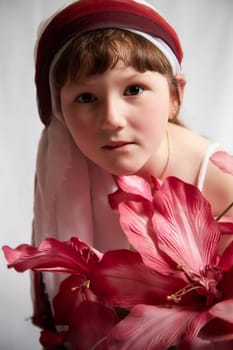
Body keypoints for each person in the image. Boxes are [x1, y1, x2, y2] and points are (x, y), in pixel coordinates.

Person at [32, 0, 233, 345]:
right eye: (85, 97)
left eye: (133, 89)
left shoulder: (219, 182)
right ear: (60, 112)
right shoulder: (68, 176)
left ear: (175, 95)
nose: (111, 119)